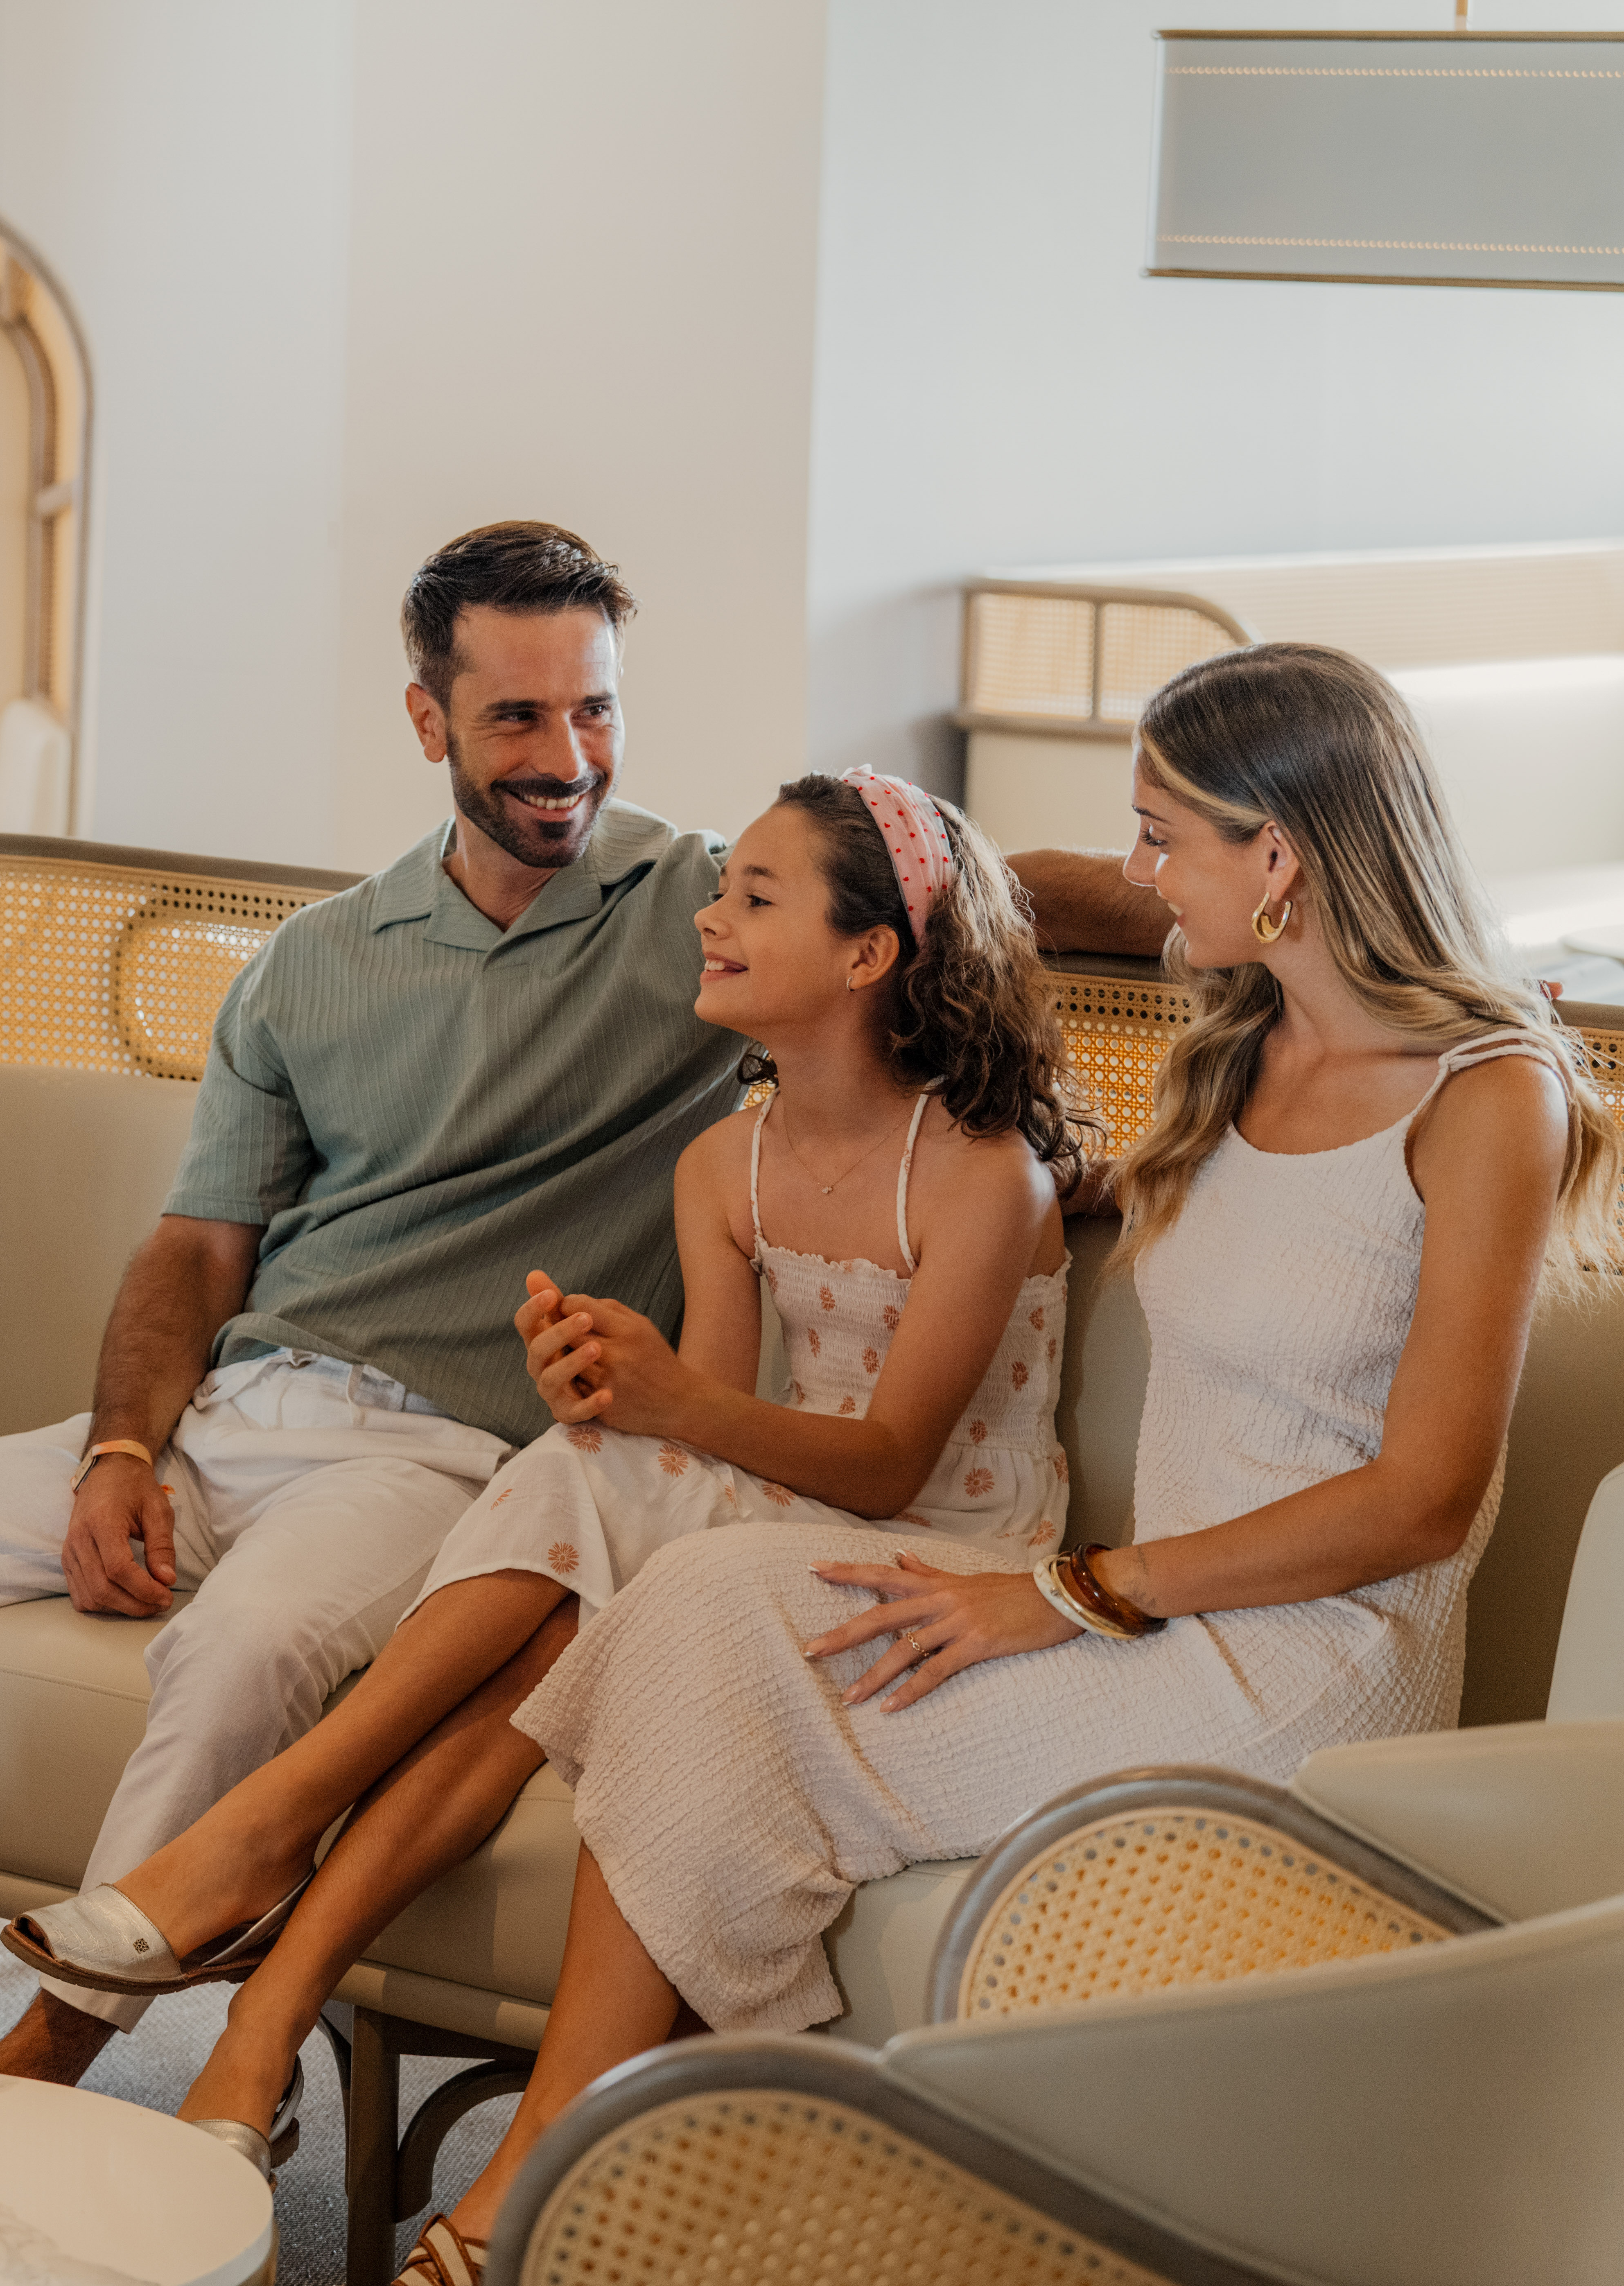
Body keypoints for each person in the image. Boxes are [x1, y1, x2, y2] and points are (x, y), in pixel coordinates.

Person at [0, 520, 1129, 2083]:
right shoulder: (311, 964)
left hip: (441, 1455)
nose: (566, 756)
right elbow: (195, 1249)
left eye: (595, 709)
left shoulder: (697, 916)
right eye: (518, 716)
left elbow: (946, 896)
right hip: (239, 1411)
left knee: (242, 1648)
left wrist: (1197, 932)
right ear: (428, 718)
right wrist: (121, 1451)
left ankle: (62, 2051)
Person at [384, 640, 1617, 2285]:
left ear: (1282, 859)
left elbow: (1424, 1498)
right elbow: (1032, 917)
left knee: (737, 1654)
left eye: (1165, 833)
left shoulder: (1489, 1093)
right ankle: (575, 2160)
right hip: (1148, 1627)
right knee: (701, 1607)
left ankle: (578, 2192)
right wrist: (1035, 1182)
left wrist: (1079, 1589)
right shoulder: (1236, 1049)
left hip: (1309, 1668)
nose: (1135, 869)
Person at [24, 767, 1096, 2176]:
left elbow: (891, 1465)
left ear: (869, 953)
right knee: (571, 1531)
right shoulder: (727, 1162)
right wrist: (609, 1387)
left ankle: (250, 1855)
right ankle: (259, 2028)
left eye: (753, 899)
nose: (709, 918)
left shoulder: (980, 1173)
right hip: (779, 1516)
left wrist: (658, 1410)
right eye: (722, 891)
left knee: (596, 1480)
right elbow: (699, 1416)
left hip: (946, 1548)